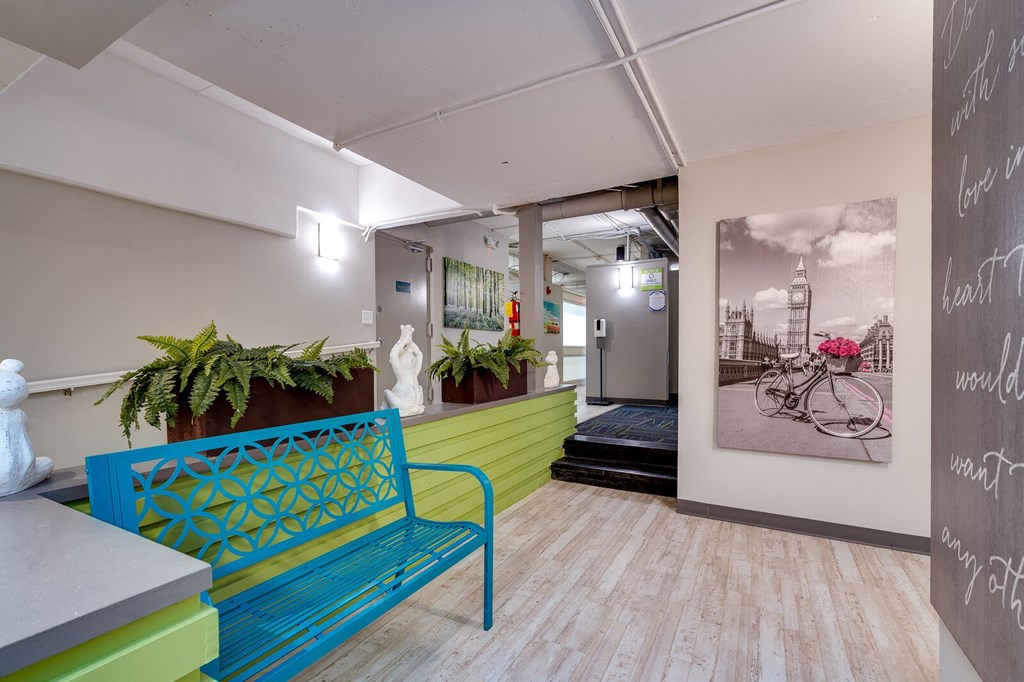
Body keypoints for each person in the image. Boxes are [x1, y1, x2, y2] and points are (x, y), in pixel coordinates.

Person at [384, 325, 425, 416]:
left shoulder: (414, 372)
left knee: (420, 388)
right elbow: (393, 355)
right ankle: (388, 407)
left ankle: (414, 407)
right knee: (387, 392)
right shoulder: (402, 372)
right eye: (407, 356)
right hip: (402, 403)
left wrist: (410, 342)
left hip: (414, 403)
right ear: (400, 361)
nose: (411, 358)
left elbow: (419, 354)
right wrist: (402, 341)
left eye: (412, 357)